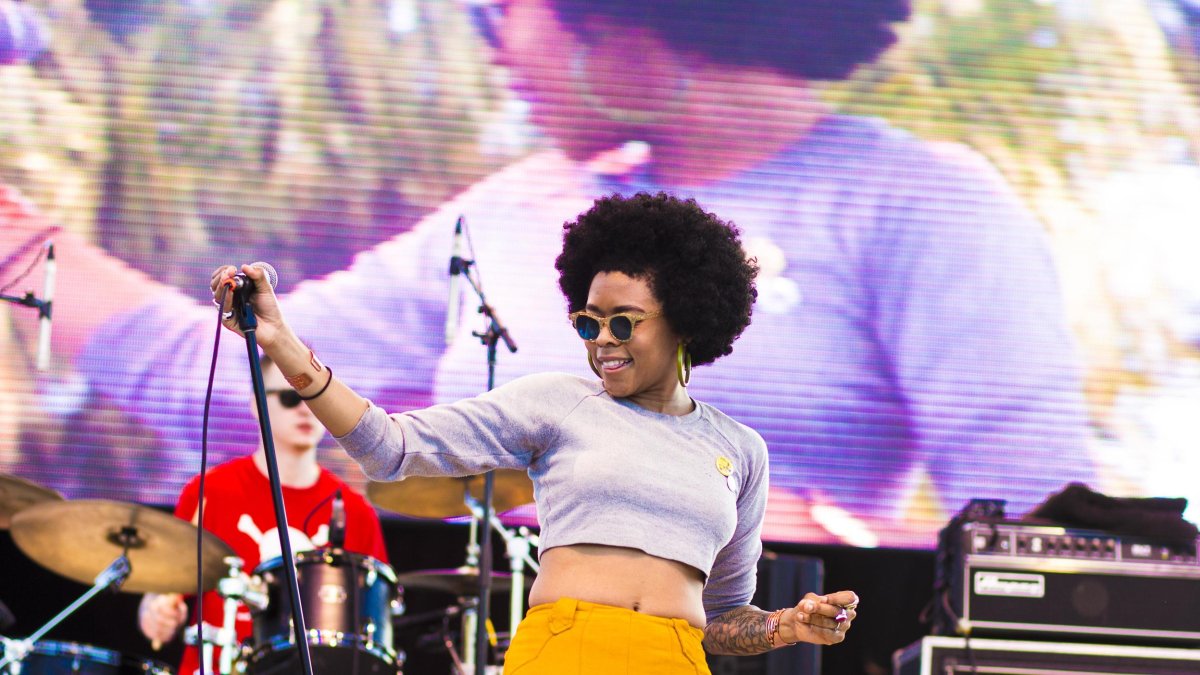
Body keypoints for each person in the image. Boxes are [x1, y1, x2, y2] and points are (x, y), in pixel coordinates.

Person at [5, 0, 1094, 547]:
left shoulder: (922, 202)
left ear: (617, 34)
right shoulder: (513, 208)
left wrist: (813, 540)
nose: (490, 45)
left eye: (499, 12)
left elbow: (1053, 544)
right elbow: (239, 378)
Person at [212, 192, 860, 672]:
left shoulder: (741, 450)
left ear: (686, 319)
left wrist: (783, 625)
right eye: (589, 323)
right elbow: (389, 446)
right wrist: (279, 338)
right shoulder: (558, 402)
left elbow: (721, 620)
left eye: (625, 323)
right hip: (566, 648)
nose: (602, 341)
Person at [135, 353, 389, 675]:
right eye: (290, 396)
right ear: (257, 404)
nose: (304, 408)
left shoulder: (356, 511)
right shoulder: (209, 492)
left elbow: (376, 629)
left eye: (314, 396)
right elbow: (158, 594)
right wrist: (154, 613)